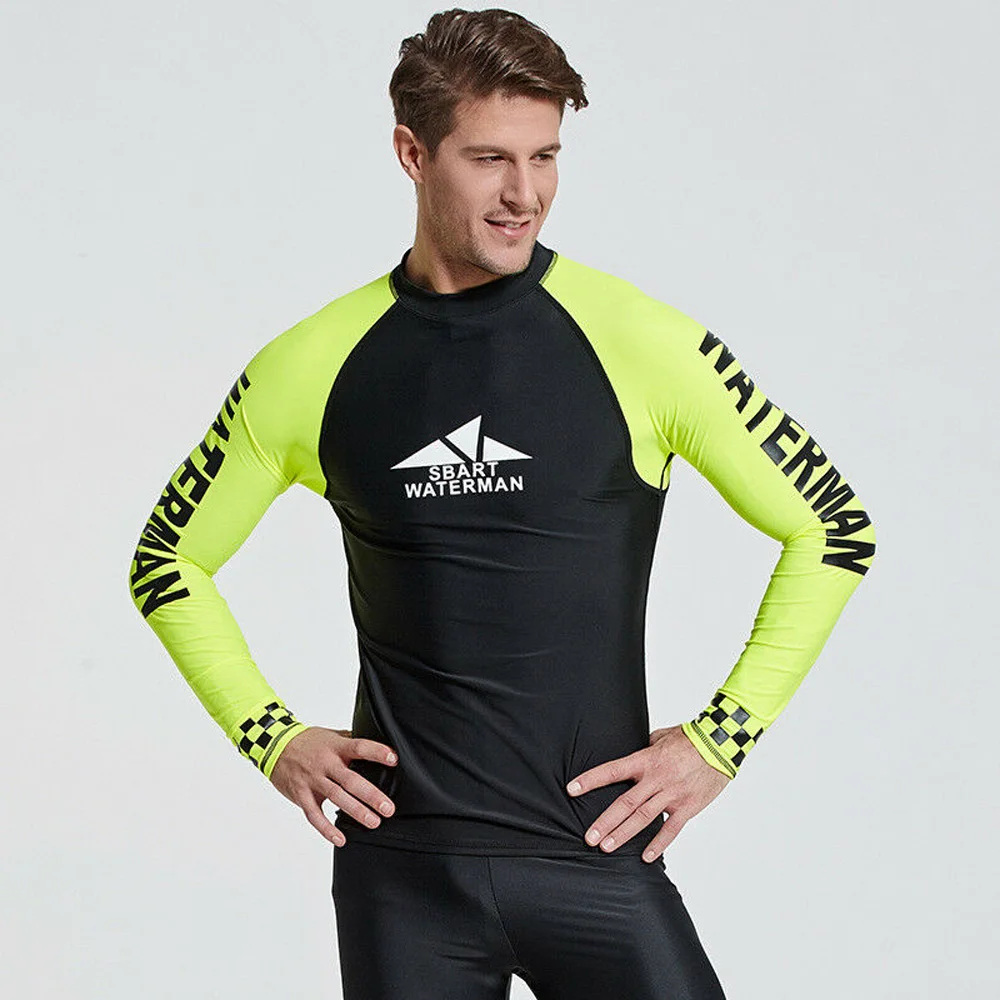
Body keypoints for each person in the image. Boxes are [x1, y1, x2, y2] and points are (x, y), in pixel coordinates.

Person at [128, 8, 876, 999]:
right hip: (403, 880)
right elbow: (167, 560)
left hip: (592, 857)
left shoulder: (638, 341)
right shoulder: (311, 365)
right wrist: (268, 734)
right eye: (489, 159)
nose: (525, 194)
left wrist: (719, 740)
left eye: (545, 157)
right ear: (413, 153)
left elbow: (833, 527)